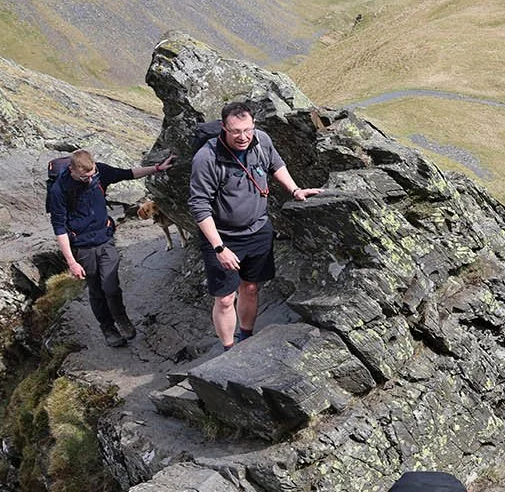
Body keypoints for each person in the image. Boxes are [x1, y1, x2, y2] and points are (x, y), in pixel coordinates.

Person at [187, 99, 318, 350]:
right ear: (224, 128)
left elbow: (276, 165)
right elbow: (199, 205)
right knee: (225, 299)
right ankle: (229, 350)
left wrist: (295, 190)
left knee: (250, 287)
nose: (243, 137)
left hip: (258, 230)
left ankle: (246, 337)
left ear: (254, 125)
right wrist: (219, 248)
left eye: (248, 130)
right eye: (236, 131)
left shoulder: (261, 141)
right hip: (223, 238)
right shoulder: (207, 158)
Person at [48, 148, 174, 347]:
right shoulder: (59, 190)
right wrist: (71, 262)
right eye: (85, 177)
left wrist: (157, 168)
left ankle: (121, 319)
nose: (90, 179)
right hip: (82, 247)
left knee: (110, 285)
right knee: (96, 290)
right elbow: (59, 228)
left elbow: (127, 173)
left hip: (105, 239)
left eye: (92, 174)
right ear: (73, 170)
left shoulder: (99, 173)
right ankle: (108, 328)